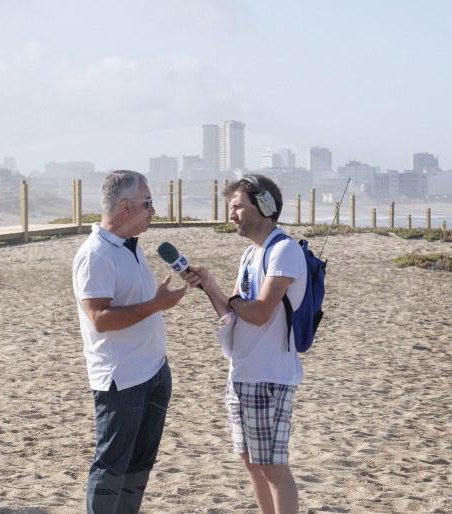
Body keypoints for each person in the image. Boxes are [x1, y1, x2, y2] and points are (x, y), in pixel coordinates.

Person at [181, 174, 306, 514]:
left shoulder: (284, 250)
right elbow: (236, 311)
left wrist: (235, 301)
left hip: (270, 376)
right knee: (251, 462)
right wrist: (209, 286)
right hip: (242, 373)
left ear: (264, 206)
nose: (231, 214)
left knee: (273, 468)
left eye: (237, 206)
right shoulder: (251, 255)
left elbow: (261, 312)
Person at [72, 169, 187, 513]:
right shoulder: (95, 255)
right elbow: (100, 318)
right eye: (147, 203)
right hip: (120, 379)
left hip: (153, 371)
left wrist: (157, 299)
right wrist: (155, 304)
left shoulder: (130, 247)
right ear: (125, 206)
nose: (153, 211)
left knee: (139, 465)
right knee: (111, 466)